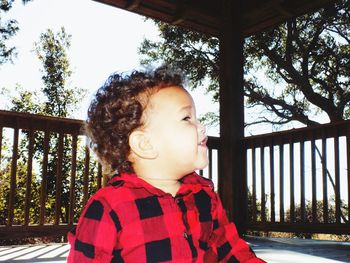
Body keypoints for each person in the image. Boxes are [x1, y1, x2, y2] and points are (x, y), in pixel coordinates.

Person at [67, 65, 265, 262]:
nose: (203, 127)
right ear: (145, 144)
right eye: (187, 118)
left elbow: (232, 251)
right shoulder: (109, 207)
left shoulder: (204, 196)